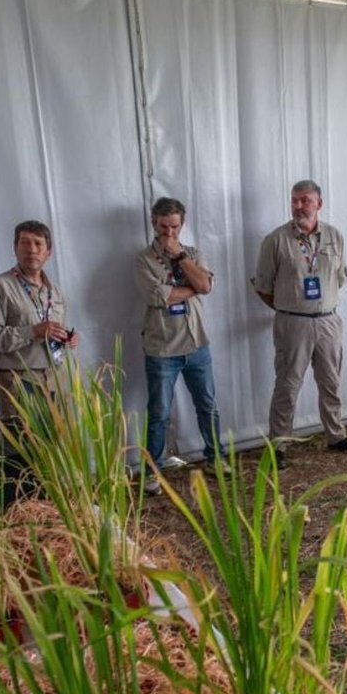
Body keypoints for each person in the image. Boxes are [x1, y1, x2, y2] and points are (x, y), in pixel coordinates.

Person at [254, 179, 347, 466]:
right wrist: (290, 308)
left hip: (328, 321)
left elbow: (340, 278)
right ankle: (279, 445)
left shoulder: (335, 236)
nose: (299, 206)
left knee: (331, 382)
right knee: (287, 385)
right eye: (294, 200)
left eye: (305, 200)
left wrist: (318, 305)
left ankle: (336, 436)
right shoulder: (275, 240)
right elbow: (263, 286)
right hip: (293, 324)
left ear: (319, 204)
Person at [137, 197, 223, 484]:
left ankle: (216, 458)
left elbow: (206, 286)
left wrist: (181, 258)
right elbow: (159, 297)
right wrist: (194, 288)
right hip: (162, 348)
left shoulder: (193, 253)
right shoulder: (144, 259)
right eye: (163, 227)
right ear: (153, 223)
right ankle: (153, 472)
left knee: (207, 404)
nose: (169, 233)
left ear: (182, 224)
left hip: (197, 343)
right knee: (159, 412)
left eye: (174, 227)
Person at [0, 220, 79, 421]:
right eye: (24, 242)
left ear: (48, 252)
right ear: (15, 249)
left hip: (57, 379)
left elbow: (51, 330)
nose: (31, 249)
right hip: (19, 382)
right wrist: (33, 331)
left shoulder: (55, 290)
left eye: (38, 243)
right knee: (28, 450)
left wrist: (67, 339)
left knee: (61, 447)